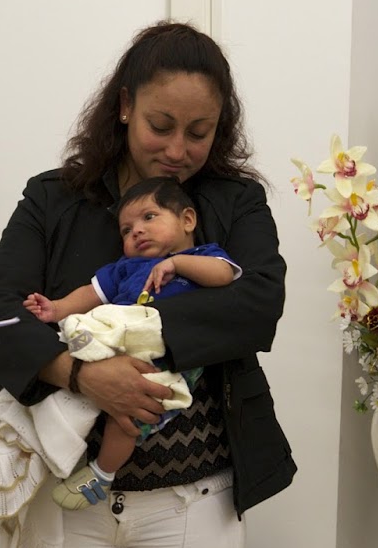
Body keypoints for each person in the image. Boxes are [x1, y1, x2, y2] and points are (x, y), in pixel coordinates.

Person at [0, 21, 296, 548]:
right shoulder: (53, 198)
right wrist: (82, 376)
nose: (178, 149)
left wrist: (135, 335)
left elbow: (258, 306)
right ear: (124, 105)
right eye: (161, 125)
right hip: (61, 495)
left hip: (193, 496)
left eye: (199, 132)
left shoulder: (234, 202)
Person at [24, 175, 239, 509]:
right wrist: (57, 308)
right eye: (126, 230)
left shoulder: (203, 256)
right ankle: (35, 442)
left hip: (163, 358)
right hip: (117, 346)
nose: (137, 231)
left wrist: (177, 263)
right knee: (83, 335)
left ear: (187, 220)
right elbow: (91, 293)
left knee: (126, 421)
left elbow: (224, 275)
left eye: (149, 217)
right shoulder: (126, 267)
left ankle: (102, 473)